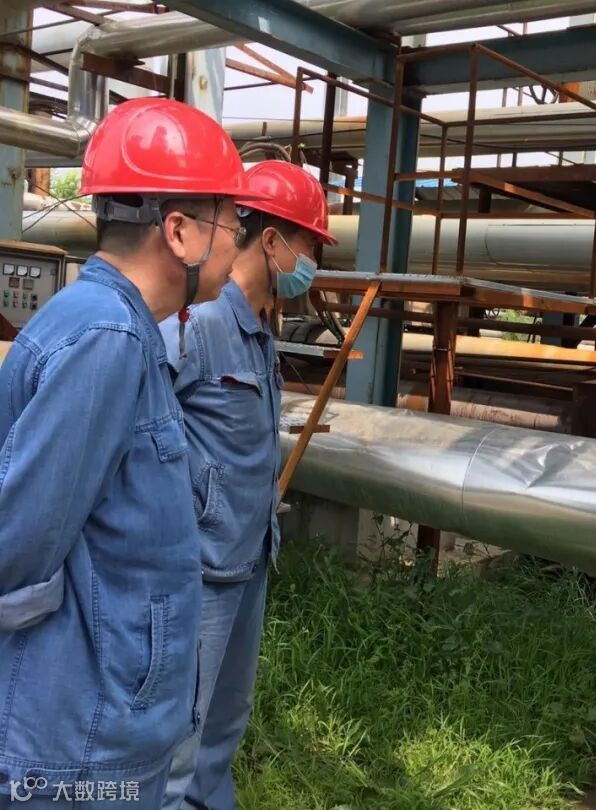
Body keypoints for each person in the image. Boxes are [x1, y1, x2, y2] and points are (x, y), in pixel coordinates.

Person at [0, 98, 256, 808]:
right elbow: (19, 542)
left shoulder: (121, 328)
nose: (236, 246)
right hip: (79, 745)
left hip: (101, 723)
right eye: (232, 225)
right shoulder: (107, 339)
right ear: (179, 231)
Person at [160, 160, 337, 810]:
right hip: (200, 569)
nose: (312, 263)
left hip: (250, 557)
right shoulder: (199, 324)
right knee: (180, 732)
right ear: (272, 240)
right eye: (310, 245)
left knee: (224, 721)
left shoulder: (261, 330)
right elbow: (141, 425)